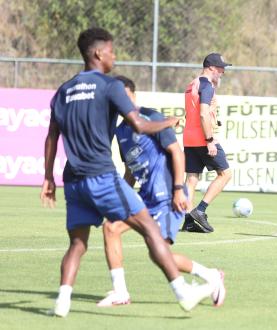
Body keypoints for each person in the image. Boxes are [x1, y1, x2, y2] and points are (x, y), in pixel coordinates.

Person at [40, 27, 212, 317]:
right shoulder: (109, 86)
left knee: (77, 244)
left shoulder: (63, 91)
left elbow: (51, 136)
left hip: (73, 181)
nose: (114, 55)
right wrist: (170, 122)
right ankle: (183, 292)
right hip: (101, 177)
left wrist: (47, 177)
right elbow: (140, 125)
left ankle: (62, 302)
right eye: (111, 50)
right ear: (97, 53)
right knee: (150, 229)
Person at [96, 76, 226, 308]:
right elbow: (131, 169)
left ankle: (211, 276)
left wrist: (179, 190)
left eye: (124, 97)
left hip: (168, 199)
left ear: (133, 97)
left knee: (159, 254)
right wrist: (120, 197)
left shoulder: (152, 117)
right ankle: (120, 292)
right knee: (111, 228)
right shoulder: (121, 132)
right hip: (145, 200)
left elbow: (176, 153)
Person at [181, 53, 233, 233]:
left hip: (188, 137)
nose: (223, 72)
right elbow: (202, 113)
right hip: (203, 138)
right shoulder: (206, 85)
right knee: (225, 174)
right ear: (211, 67)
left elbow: (192, 113)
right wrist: (209, 140)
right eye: (220, 68)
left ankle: (188, 221)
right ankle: (200, 210)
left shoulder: (191, 85)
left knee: (192, 178)